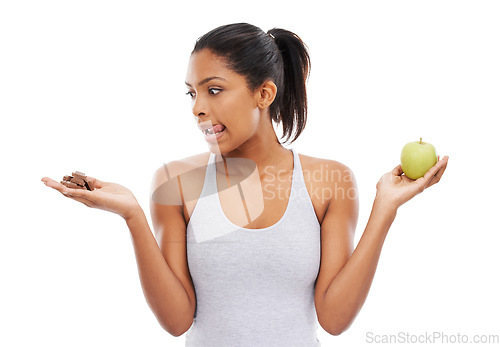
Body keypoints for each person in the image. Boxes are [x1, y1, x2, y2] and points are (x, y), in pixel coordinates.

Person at [41, 23, 449, 346]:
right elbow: (177, 321)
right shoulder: (175, 182)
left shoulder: (329, 181)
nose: (199, 107)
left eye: (214, 90)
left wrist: (384, 209)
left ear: (264, 93)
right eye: (192, 94)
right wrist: (131, 215)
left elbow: (335, 319)